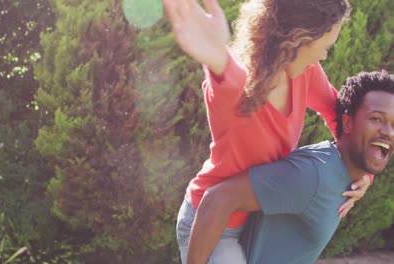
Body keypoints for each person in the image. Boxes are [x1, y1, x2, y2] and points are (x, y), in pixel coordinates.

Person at [162, 0, 372, 263]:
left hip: (259, 221)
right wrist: (216, 56)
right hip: (214, 223)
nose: (324, 56)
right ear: (299, 37)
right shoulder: (240, 88)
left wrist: (361, 173)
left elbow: (337, 114)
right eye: (325, 47)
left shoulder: (305, 73)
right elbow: (226, 77)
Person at [190, 70, 394, 264]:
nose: (389, 133)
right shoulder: (313, 174)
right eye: (376, 119)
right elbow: (217, 198)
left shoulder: (345, 173)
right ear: (348, 124)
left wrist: (368, 176)